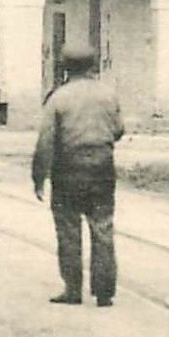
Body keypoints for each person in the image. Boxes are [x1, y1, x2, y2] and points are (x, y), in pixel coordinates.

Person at [32, 54, 126, 307]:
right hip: (102, 169)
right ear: (92, 67)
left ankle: (73, 290)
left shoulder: (58, 98)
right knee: (103, 228)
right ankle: (104, 292)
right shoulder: (109, 94)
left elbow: (46, 142)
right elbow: (118, 130)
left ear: (65, 68)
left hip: (68, 171)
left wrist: (39, 177)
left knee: (69, 230)